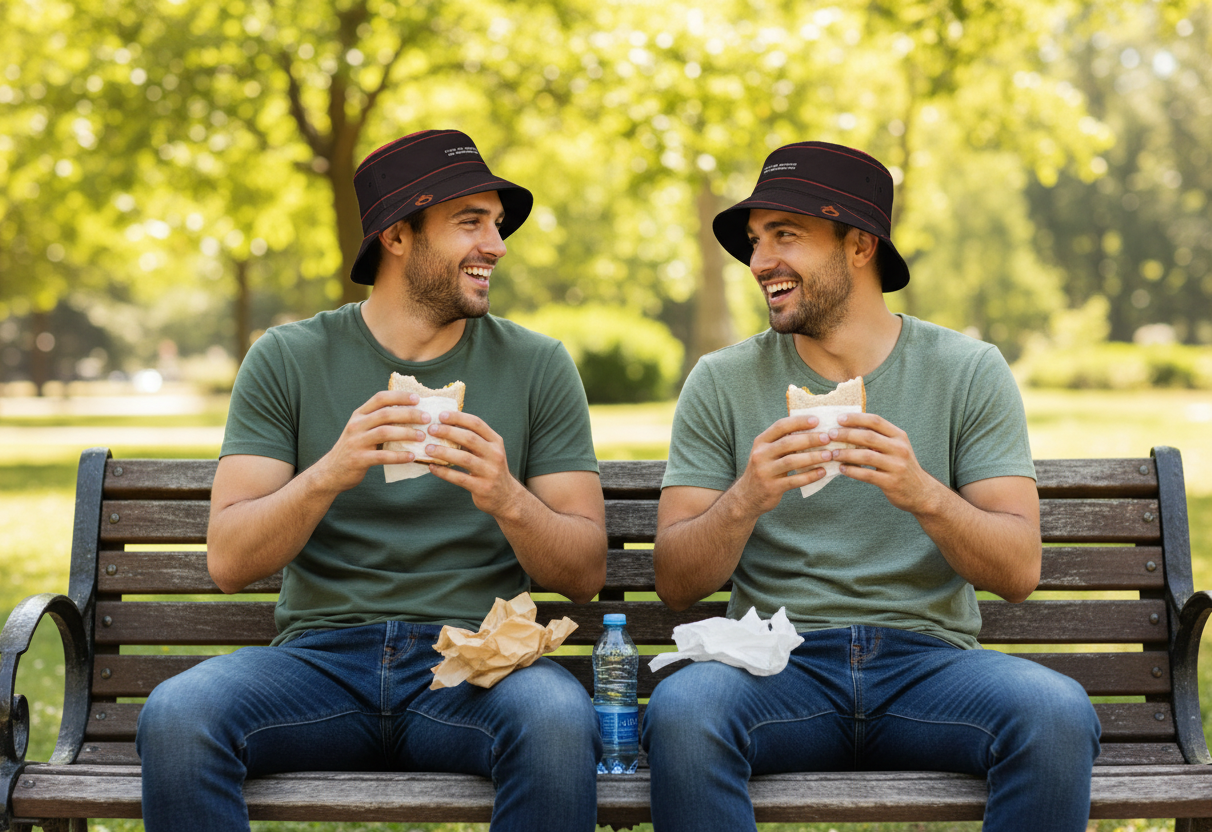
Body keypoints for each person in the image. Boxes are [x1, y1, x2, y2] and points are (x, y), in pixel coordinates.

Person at [136, 129, 607, 832]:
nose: (498, 245)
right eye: (470, 223)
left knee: (558, 721)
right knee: (178, 714)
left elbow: (584, 571)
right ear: (396, 235)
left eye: (497, 224)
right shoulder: (289, 359)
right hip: (320, 663)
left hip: (473, 665)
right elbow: (230, 560)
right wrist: (331, 470)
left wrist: (506, 495)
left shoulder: (537, 366)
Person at [641, 141, 1101, 831]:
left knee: (1058, 714)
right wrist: (748, 497)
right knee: (683, 713)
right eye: (756, 239)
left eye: (785, 235)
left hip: (931, 667)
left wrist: (923, 493)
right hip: (776, 664)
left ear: (860, 245)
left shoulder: (967, 371)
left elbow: (1018, 570)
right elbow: (676, 583)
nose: (760, 260)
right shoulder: (723, 380)